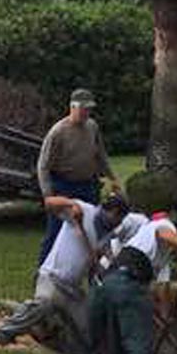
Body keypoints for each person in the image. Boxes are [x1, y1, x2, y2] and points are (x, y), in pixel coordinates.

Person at [0, 194, 128, 354]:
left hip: (72, 289)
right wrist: (69, 204)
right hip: (52, 277)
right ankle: (3, 332)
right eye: (119, 217)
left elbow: (96, 264)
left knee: (88, 327)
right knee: (44, 303)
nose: (119, 223)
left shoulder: (108, 234)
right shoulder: (83, 210)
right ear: (113, 212)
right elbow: (49, 202)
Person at [86, 210, 177, 354]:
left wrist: (165, 314)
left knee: (119, 338)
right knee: (139, 339)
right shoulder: (163, 226)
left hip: (107, 283)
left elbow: (162, 289)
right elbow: (164, 232)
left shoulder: (155, 250)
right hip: (127, 282)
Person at [35, 88, 116, 263]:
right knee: (56, 231)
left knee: (94, 227)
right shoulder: (58, 132)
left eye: (89, 109)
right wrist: (48, 195)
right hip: (64, 185)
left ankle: (92, 270)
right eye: (83, 109)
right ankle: (42, 270)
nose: (86, 113)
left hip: (88, 185)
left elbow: (100, 155)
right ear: (73, 107)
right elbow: (43, 165)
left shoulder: (92, 127)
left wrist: (112, 178)